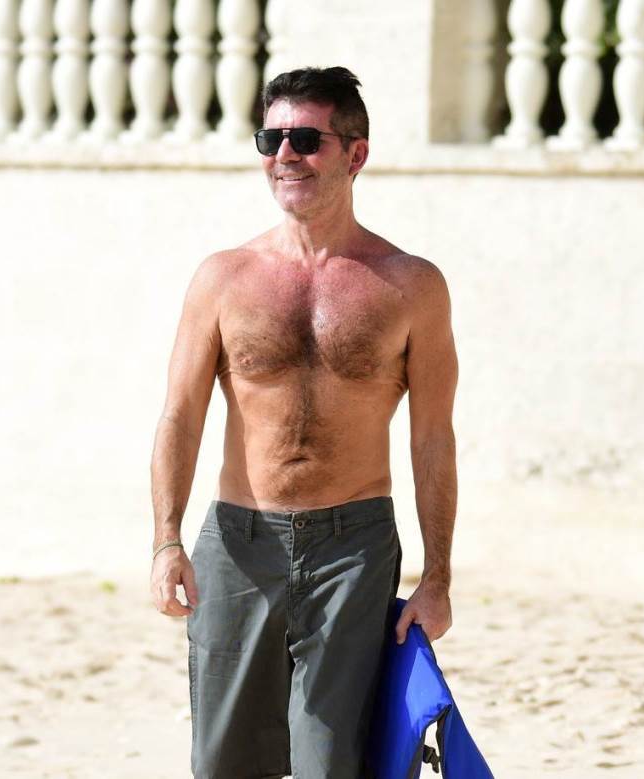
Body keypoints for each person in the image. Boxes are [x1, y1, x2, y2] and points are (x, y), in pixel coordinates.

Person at [149, 66, 459, 779]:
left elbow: (433, 437)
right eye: (272, 139)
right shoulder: (223, 278)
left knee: (331, 764)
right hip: (238, 542)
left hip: (354, 549)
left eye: (307, 140)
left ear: (356, 153)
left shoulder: (411, 285)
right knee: (224, 764)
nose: (285, 154)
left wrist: (437, 576)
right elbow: (180, 414)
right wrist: (166, 539)